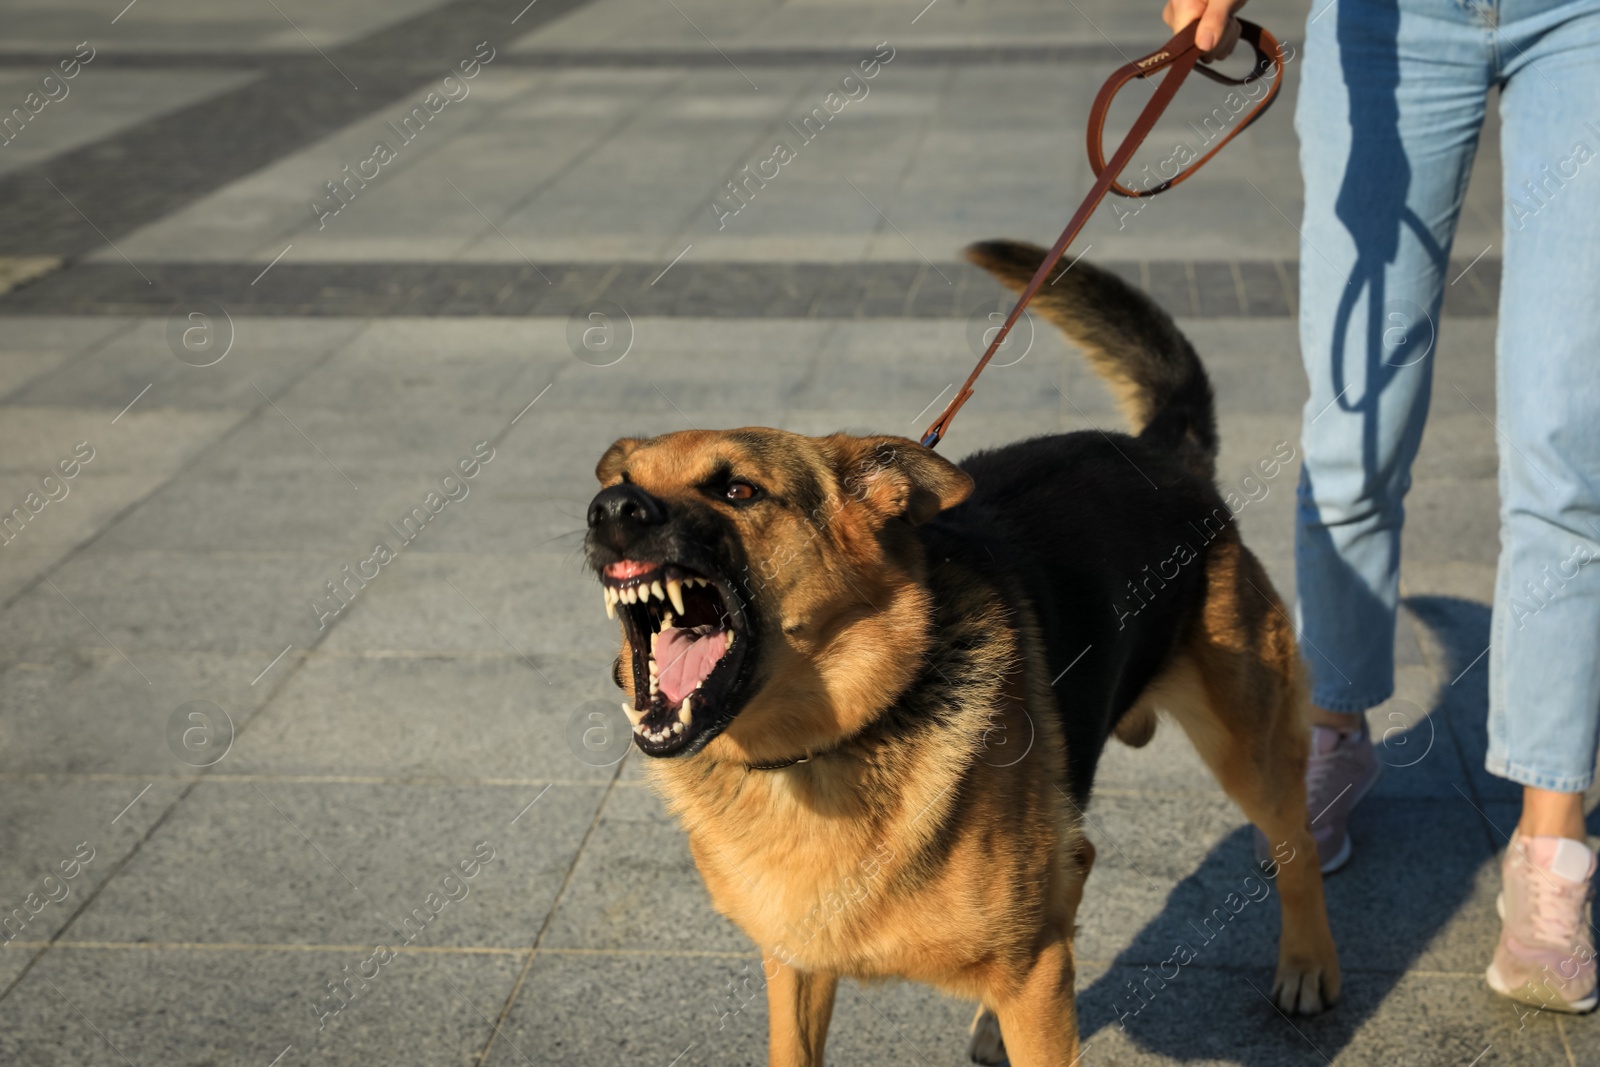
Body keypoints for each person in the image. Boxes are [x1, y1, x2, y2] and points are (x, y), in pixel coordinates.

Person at [1160, 0, 1600, 1012]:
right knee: (1351, 438)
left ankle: (1550, 845)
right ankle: (1333, 730)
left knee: (1567, 445)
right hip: (1388, 23)